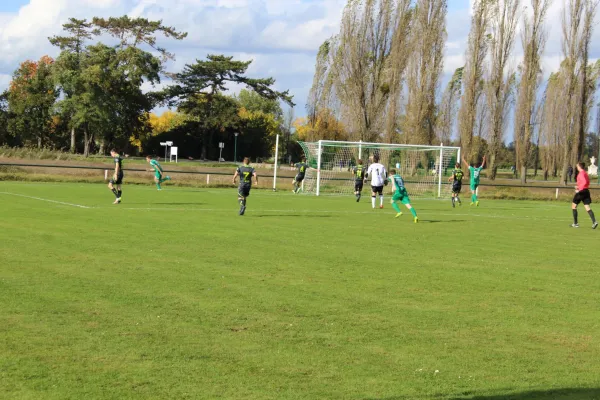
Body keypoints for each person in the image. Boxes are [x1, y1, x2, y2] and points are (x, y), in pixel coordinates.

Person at [571, 162, 598, 229]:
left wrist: (579, 189)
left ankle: (575, 223)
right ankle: (594, 222)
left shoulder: (581, 174)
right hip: (586, 191)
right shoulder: (585, 173)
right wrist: (579, 186)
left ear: (579, 167)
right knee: (587, 207)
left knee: (573, 206)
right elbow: (587, 182)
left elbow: (584, 182)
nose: (576, 167)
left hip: (581, 192)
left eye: (577, 166)